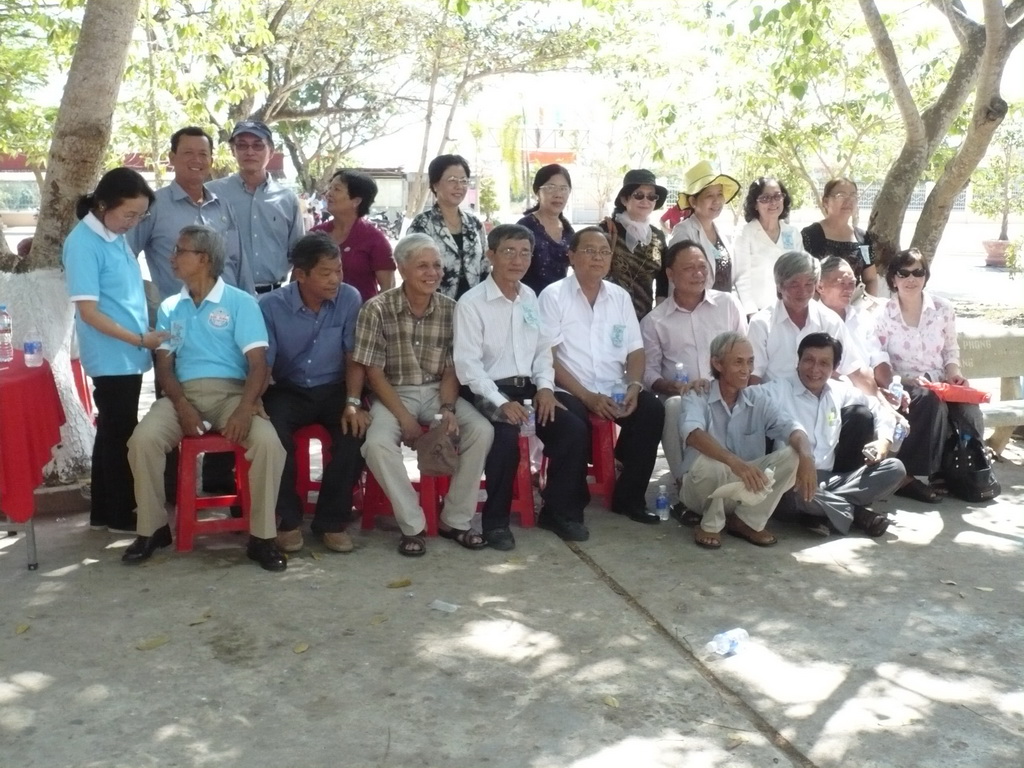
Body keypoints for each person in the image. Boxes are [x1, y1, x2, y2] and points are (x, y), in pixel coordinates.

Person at [124, 225, 287, 571]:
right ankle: (153, 529)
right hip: (183, 395)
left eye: (180, 251)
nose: (172, 257)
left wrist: (245, 409)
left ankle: (262, 537)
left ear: (204, 259)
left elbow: (258, 364)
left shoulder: (240, 303)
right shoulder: (171, 306)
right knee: (143, 440)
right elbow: (164, 366)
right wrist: (182, 406)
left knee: (269, 444)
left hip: (232, 394)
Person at [353, 233, 494, 556]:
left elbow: (451, 369)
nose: (432, 273)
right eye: (422, 266)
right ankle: (412, 524)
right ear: (402, 269)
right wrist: (405, 419)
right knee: (376, 444)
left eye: (437, 266)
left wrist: (448, 409)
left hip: (437, 391)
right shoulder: (377, 308)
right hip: (393, 393)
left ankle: (455, 519)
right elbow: (374, 373)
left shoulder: (452, 310)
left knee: (481, 430)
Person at [454, 224, 587, 549]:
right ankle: (495, 522)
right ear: (491, 256)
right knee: (504, 437)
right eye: (509, 252)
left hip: (528, 388)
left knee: (571, 429)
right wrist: (501, 402)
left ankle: (557, 512)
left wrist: (545, 388)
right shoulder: (471, 303)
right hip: (487, 390)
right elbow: (468, 366)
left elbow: (542, 350)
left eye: (525, 253)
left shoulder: (529, 297)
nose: (518, 260)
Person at [62, 168, 168, 534]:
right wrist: (139, 339)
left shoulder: (113, 235)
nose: (133, 223)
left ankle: (105, 512)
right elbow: (89, 312)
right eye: (129, 214)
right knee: (120, 433)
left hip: (128, 350)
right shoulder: (83, 243)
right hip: (111, 354)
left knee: (112, 430)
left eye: (141, 216)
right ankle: (122, 513)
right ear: (103, 205)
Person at [539, 227, 666, 526]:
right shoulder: (553, 296)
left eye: (604, 252)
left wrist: (634, 385)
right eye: (589, 251)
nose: (598, 257)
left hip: (613, 387)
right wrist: (587, 397)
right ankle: (563, 510)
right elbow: (548, 358)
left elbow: (636, 351)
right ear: (571, 256)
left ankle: (629, 499)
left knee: (651, 410)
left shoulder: (619, 297)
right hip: (569, 389)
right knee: (572, 425)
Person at [259, 232, 367, 554]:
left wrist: (353, 401)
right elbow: (264, 363)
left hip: (334, 388)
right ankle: (289, 520)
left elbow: (353, 355)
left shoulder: (349, 298)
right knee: (273, 435)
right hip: (288, 388)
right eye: (325, 273)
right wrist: (253, 402)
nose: (335, 279)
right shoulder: (271, 306)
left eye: (339, 270)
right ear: (301, 275)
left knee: (355, 434)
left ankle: (331, 521)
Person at [679, 332, 816, 549]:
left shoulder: (758, 398)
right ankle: (710, 525)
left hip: (746, 488)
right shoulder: (698, 394)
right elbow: (693, 434)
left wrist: (807, 457)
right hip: (702, 490)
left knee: (794, 454)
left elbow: (793, 428)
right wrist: (734, 462)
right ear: (717, 363)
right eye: (738, 362)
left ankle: (746, 521)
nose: (747, 369)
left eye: (750, 362)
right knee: (712, 462)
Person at [874, 248, 984, 503]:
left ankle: (972, 468)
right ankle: (926, 474)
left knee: (969, 408)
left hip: (940, 381)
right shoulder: (883, 314)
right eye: (903, 273)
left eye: (918, 272)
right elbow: (879, 358)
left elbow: (950, 350)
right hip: (904, 383)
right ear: (893, 279)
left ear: (925, 276)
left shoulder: (943, 309)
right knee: (933, 402)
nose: (911, 279)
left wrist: (954, 374)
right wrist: (903, 381)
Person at [772, 333, 906, 537]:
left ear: (834, 367)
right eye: (808, 360)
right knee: (792, 493)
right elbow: (744, 399)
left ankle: (822, 510)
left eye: (824, 363)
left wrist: (883, 441)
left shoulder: (838, 390)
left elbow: (879, 409)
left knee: (895, 469)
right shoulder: (777, 391)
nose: (815, 369)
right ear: (798, 361)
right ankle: (858, 514)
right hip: (793, 481)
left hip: (832, 479)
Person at [641, 239, 747, 485]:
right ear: (670, 274)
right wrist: (674, 387)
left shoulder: (728, 305)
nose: (698, 274)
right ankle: (683, 483)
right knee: (674, 406)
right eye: (689, 268)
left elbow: (745, 351)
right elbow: (649, 373)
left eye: (702, 267)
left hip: (727, 393)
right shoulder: (655, 321)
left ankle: (742, 478)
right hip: (684, 396)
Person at [127, 126, 253, 312]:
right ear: (172, 158)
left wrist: (250, 306)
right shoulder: (153, 206)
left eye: (203, 154)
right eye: (188, 153)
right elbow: (125, 256)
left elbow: (240, 263)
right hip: (180, 317)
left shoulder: (223, 206)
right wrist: (145, 304)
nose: (196, 160)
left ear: (211, 161)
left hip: (229, 313)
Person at [207, 120, 304, 294]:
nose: (250, 152)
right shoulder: (212, 193)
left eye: (258, 145)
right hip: (224, 294)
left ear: (271, 151)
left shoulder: (287, 199)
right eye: (242, 145)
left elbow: (299, 255)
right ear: (233, 151)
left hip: (274, 296)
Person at [747, 250, 867, 387]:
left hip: (819, 397)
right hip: (775, 397)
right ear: (779, 286)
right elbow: (754, 377)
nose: (802, 291)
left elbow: (853, 369)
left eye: (809, 284)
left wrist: (878, 397)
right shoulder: (761, 324)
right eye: (794, 285)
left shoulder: (830, 321)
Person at [408, 154, 487, 300]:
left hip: (473, 306)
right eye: (452, 180)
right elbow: (412, 269)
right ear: (435, 184)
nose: (459, 186)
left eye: (463, 181)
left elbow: (485, 267)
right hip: (435, 305)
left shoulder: (475, 224)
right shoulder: (422, 224)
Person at [312, 169, 396, 301]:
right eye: (330, 188)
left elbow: (388, 289)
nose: (328, 194)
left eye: (337, 189)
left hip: (361, 312)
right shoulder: (315, 234)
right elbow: (298, 280)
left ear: (356, 201)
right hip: (316, 313)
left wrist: (370, 312)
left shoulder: (375, 239)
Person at [599, 169, 669, 320]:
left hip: (644, 318)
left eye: (651, 196)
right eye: (638, 195)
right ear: (625, 199)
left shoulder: (658, 236)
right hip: (607, 315)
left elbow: (663, 279)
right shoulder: (607, 230)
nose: (645, 201)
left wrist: (659, 314)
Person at [732, 177, 802, 316]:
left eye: (777, 196)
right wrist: (752, 314)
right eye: (765, 198)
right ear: (755, 204)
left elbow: (801, 272)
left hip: (789, 311)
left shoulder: (792, 233)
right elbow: (741, 278)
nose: (773, 202)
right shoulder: (745, 233)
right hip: (757, 312)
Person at [817, 256, 891, 386]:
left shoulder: (862, 316)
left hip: (871, 388)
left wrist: (888, 389)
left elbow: (878, 358)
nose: (848, 289)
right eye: (841, 283)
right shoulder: (812, 319)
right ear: (820, 286)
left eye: (852, 283)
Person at [669, 160, 741, 293]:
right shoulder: (683, 232)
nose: (717, 201)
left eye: (720, 194)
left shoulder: (721, 231)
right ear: (693, 201)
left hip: (724, 304)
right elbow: (678, 282)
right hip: (696, 305)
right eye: (709, 195)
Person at [801, 178, 879, 295]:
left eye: (853, 196)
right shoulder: (810, 235)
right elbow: (803, 279)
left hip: (854, 303)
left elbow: (870, 279)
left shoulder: (863, 238)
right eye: (841, 195)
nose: (848, 201)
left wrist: (868, 303)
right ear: (825, 201)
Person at [516, 164, 574, 295]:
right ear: (537, 192)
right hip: (528, 301)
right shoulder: (524, 227)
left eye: (563, 189)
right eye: (551, 188)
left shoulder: (569, 231)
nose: (558, 194)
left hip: (558, 301)